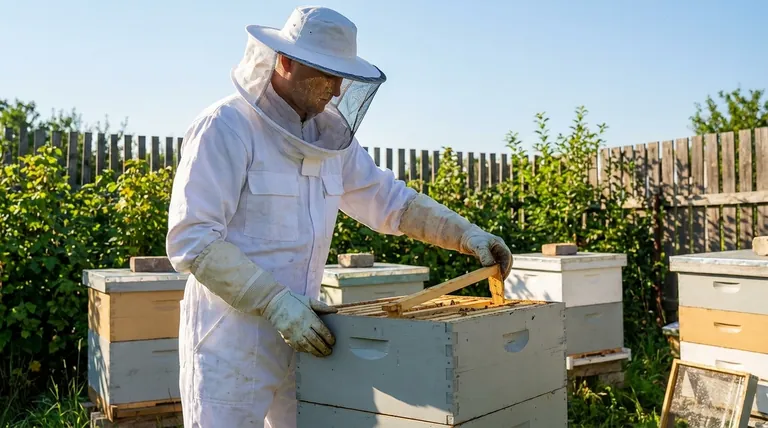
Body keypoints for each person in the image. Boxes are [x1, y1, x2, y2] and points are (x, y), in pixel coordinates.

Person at [165, 5, 513, 427]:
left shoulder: (331, 140)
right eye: (325, 73)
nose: (335, 88)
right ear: (286, 61)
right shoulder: (227, 127)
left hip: (308, 336)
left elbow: (392, 201)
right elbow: (193, 239)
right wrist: (274, 302)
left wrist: (466, 235)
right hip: (231, 344)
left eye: (341, 75)